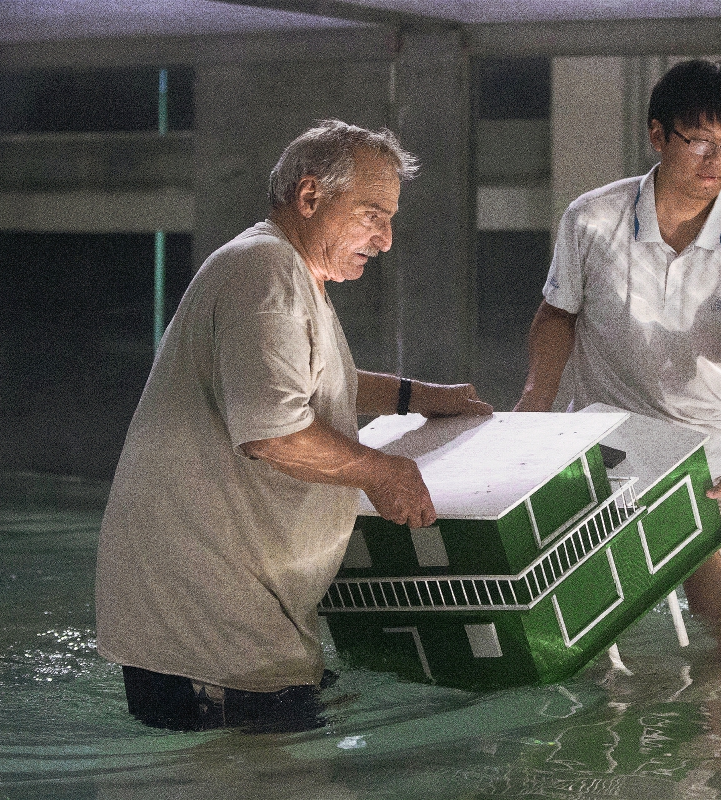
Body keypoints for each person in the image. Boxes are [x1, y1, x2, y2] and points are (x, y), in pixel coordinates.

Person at [95, 120, 493, 732]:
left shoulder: (285, 269)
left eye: (390, 219)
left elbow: (313, 382)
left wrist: (419, 397)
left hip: (233, 620)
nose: (384, 239)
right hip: (213, 634)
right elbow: (272, 430)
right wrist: (384, 471)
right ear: (311, 197)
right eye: (371, 215)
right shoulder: (265, 270)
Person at [514, 60, 721, 649]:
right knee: (577, 632)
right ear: (657, 135)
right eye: (701, 142)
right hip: (599, 443)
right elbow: (557, 315)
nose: (717, 161)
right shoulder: (592, 218)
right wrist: (533, 406)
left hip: (705, 454)